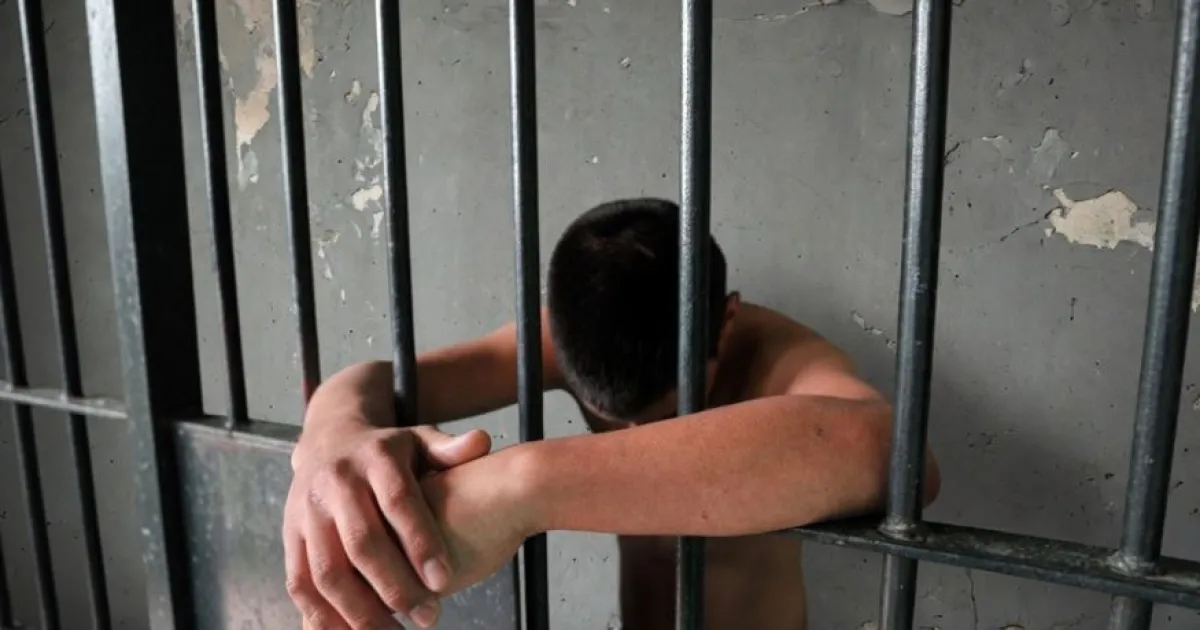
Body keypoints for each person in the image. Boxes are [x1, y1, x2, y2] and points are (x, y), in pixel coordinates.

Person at [282, 198, 941, 630]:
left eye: (669, 412)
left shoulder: (780, 359)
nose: (639, 440)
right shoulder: (574, 333)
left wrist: (520, 488)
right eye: (608, 418)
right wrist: (332, 434)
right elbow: (378, 381)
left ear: (728, 321)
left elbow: (897, 455)